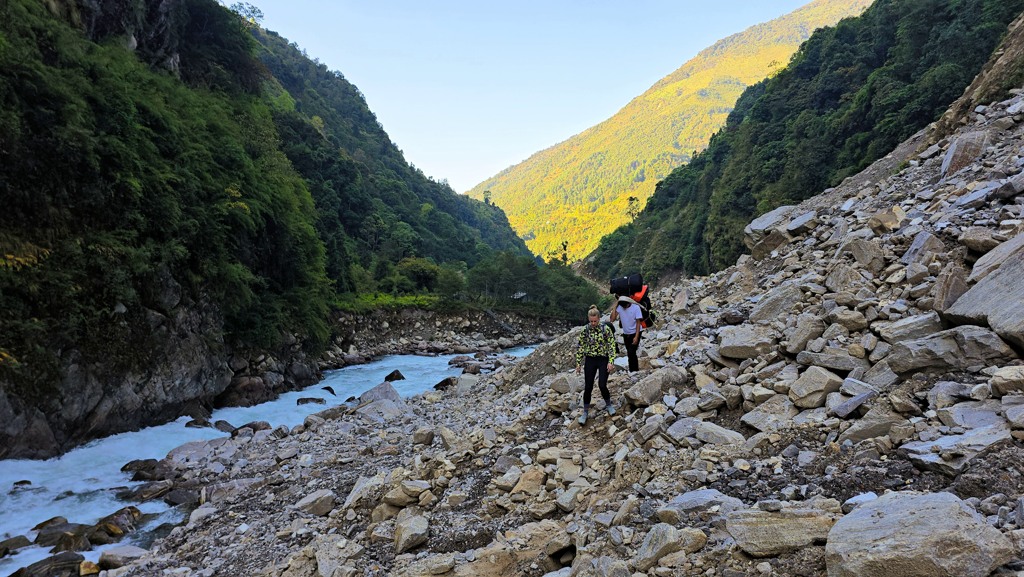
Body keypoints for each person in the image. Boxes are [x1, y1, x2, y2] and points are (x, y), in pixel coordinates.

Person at [575, 305, 617, 425]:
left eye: (595, 321)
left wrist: (611, 361)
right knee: (588, 387)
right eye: (591, 321)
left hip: (603, 359)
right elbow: (581, 347)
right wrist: (578, 363)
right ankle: (585, 412)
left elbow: (612, 345)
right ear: (589, 319)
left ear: (599, 319)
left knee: (602, 384)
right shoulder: (585, 330)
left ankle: (609, 405)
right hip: (590, 359)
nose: (593, 323)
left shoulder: (605, 329)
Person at [610, 295, 643, 372]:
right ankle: (633, 370)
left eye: (626, 306)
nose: (624, 308)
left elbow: (638, 323)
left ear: (628, 303)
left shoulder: (635, 307)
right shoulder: (620, 307)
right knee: (629, 352)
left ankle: (634, 371)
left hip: (636, 332)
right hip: (626, 334)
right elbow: (612, 319)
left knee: (632, 352)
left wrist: (636, 337)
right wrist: (615, 307)